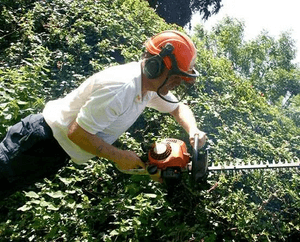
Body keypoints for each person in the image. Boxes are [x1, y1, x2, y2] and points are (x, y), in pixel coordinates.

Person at [0, 30, 207, 199]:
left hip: (52, 152)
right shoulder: (122, 88)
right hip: (37, 143)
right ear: (155, 66)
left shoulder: (148, 88)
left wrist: (193, 130)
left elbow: (178, 107)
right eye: (175, 77)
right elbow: (77, 133)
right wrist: (119, 157)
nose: (176, 84)